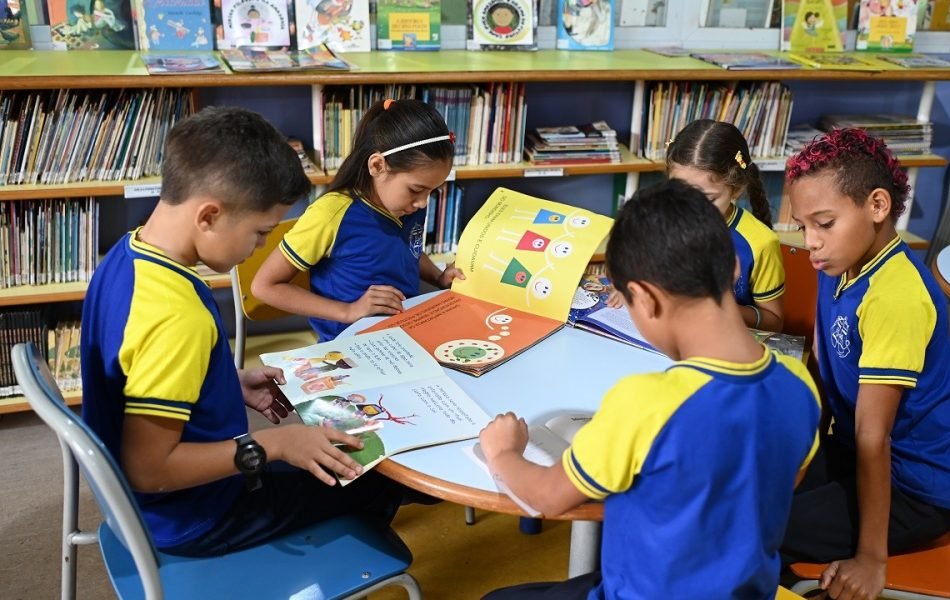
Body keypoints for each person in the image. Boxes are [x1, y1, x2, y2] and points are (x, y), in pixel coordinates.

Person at [80, 106, 406, 557]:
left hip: (155, 502)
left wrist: (223, 383)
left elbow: (135, 371)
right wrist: (274, 444)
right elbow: (149, 470)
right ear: (209, 215)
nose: (258, 247)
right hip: (195, 515)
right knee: (372, 478)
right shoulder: (178, 317)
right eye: (260, 233)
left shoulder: (127, 255)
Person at [479, 179, 822, 599]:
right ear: (733, 267)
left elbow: (549, 498)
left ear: (643, 298)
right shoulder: (799, 384)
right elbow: (782, 480)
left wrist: (503, 453)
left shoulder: (646, 402)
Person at [780, 128, 950, 599]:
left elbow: (874, 435)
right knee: (743, 489)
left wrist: (871, 557)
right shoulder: (838, 262)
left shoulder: (895, 296)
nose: (811, 242)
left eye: (824, 223)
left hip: (917, 488)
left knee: (751, 527)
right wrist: (798, 456)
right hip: (855, 453)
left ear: (878, 206)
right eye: (803, 226)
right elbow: (826, 375)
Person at [252, 98, 462, 342]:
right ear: (377, 165)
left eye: (432, 191)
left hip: (403, 336)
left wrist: (438, 277)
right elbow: (265, 286)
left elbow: (408, 249)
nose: (423, 203)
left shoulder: (408, 206)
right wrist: (348, 311)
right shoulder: (331, 214)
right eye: (416, 189)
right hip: (348, 349)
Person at [610, 119, 785, 333]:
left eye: (708, 198)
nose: (691, 207)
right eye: (680, 192)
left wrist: (714, 306)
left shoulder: (760, 243)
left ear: (736, 190)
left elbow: (773, 322)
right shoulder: (660, 217)